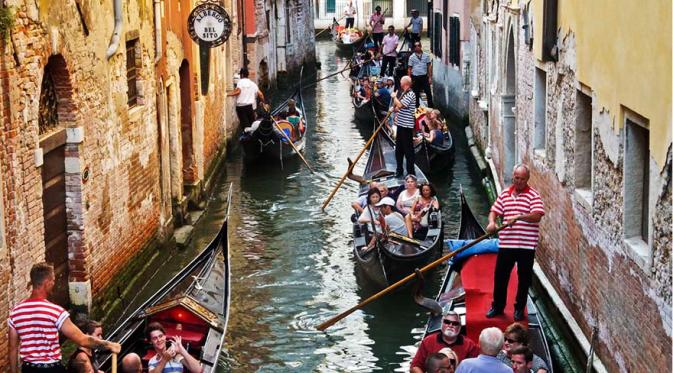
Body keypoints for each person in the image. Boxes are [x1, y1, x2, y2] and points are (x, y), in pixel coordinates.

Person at [8, 262, 121, 373]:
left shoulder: (16, 312)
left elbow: (13, 349)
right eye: (53, 280)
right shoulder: (55, 312)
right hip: (52, 369)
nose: (54, 283)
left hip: (29, 369)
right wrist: (109, 345)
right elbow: (82, 339)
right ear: (46, 283)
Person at [485, 164, 545, 321]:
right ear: (513, 177)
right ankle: (497, 307)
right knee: (500, 277)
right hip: (506, 244)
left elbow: (537, 215)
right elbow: (494, 211)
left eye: (522, 179)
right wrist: (492, 222)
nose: (518, 181)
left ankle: (519, 309)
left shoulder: (533, 195)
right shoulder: (505, 194)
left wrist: (519, 217)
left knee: (524, 279)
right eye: (516, 178)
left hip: (526, 246)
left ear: (527, 179)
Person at [411, 311, 478, 372]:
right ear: (441, 323)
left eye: (455, 323)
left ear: (460, 327)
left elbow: (475, 369)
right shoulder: (428, 341)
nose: (450, 325)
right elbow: (415, 366)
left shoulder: (470, 345)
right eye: (447, 322)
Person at [392, 76, 417, 177]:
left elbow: (402, 105)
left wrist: (394, 97)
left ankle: (411, 173)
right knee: (399, 150)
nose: (400, 83)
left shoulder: (410, 94)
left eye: (401, 82)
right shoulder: (404, 93)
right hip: (401, 125)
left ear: (405, 83)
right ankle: (399, 170)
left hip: (406, 126)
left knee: (408, 151)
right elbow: (400, 108)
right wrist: (394, 109)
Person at [408, 42, 433, 107]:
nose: (417, 47)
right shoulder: (411, 57)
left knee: (428, 92)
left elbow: (429, 66)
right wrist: (409, 79)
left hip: (424, 77)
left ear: (421, 46)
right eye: (416, 46)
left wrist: (430, 77)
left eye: (418, 45)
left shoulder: (426, 55)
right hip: (415, 77)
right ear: (414, 48)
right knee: (416, 93)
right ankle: (416, 107)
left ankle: (431, 107)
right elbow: (409, 68)